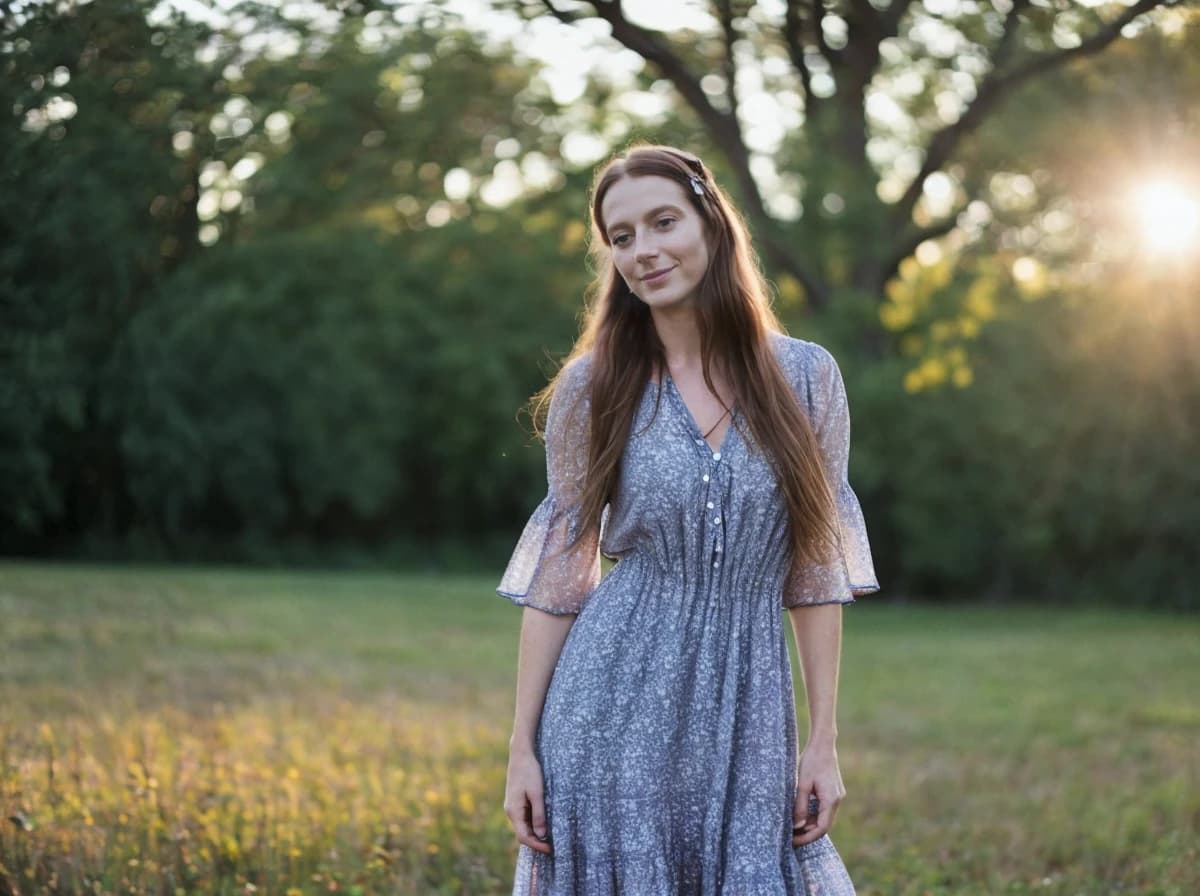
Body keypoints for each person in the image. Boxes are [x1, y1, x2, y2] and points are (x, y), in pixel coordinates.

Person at [497, 144, 880, 895]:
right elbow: (562, 574)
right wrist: (522, 748)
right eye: (623, 236)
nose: (645, 250)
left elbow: (814, 570)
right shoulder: (594, 386)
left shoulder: (807, 377)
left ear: (710, 220)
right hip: (607, 708)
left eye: (662, 221)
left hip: (749, 710)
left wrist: (823, 740)